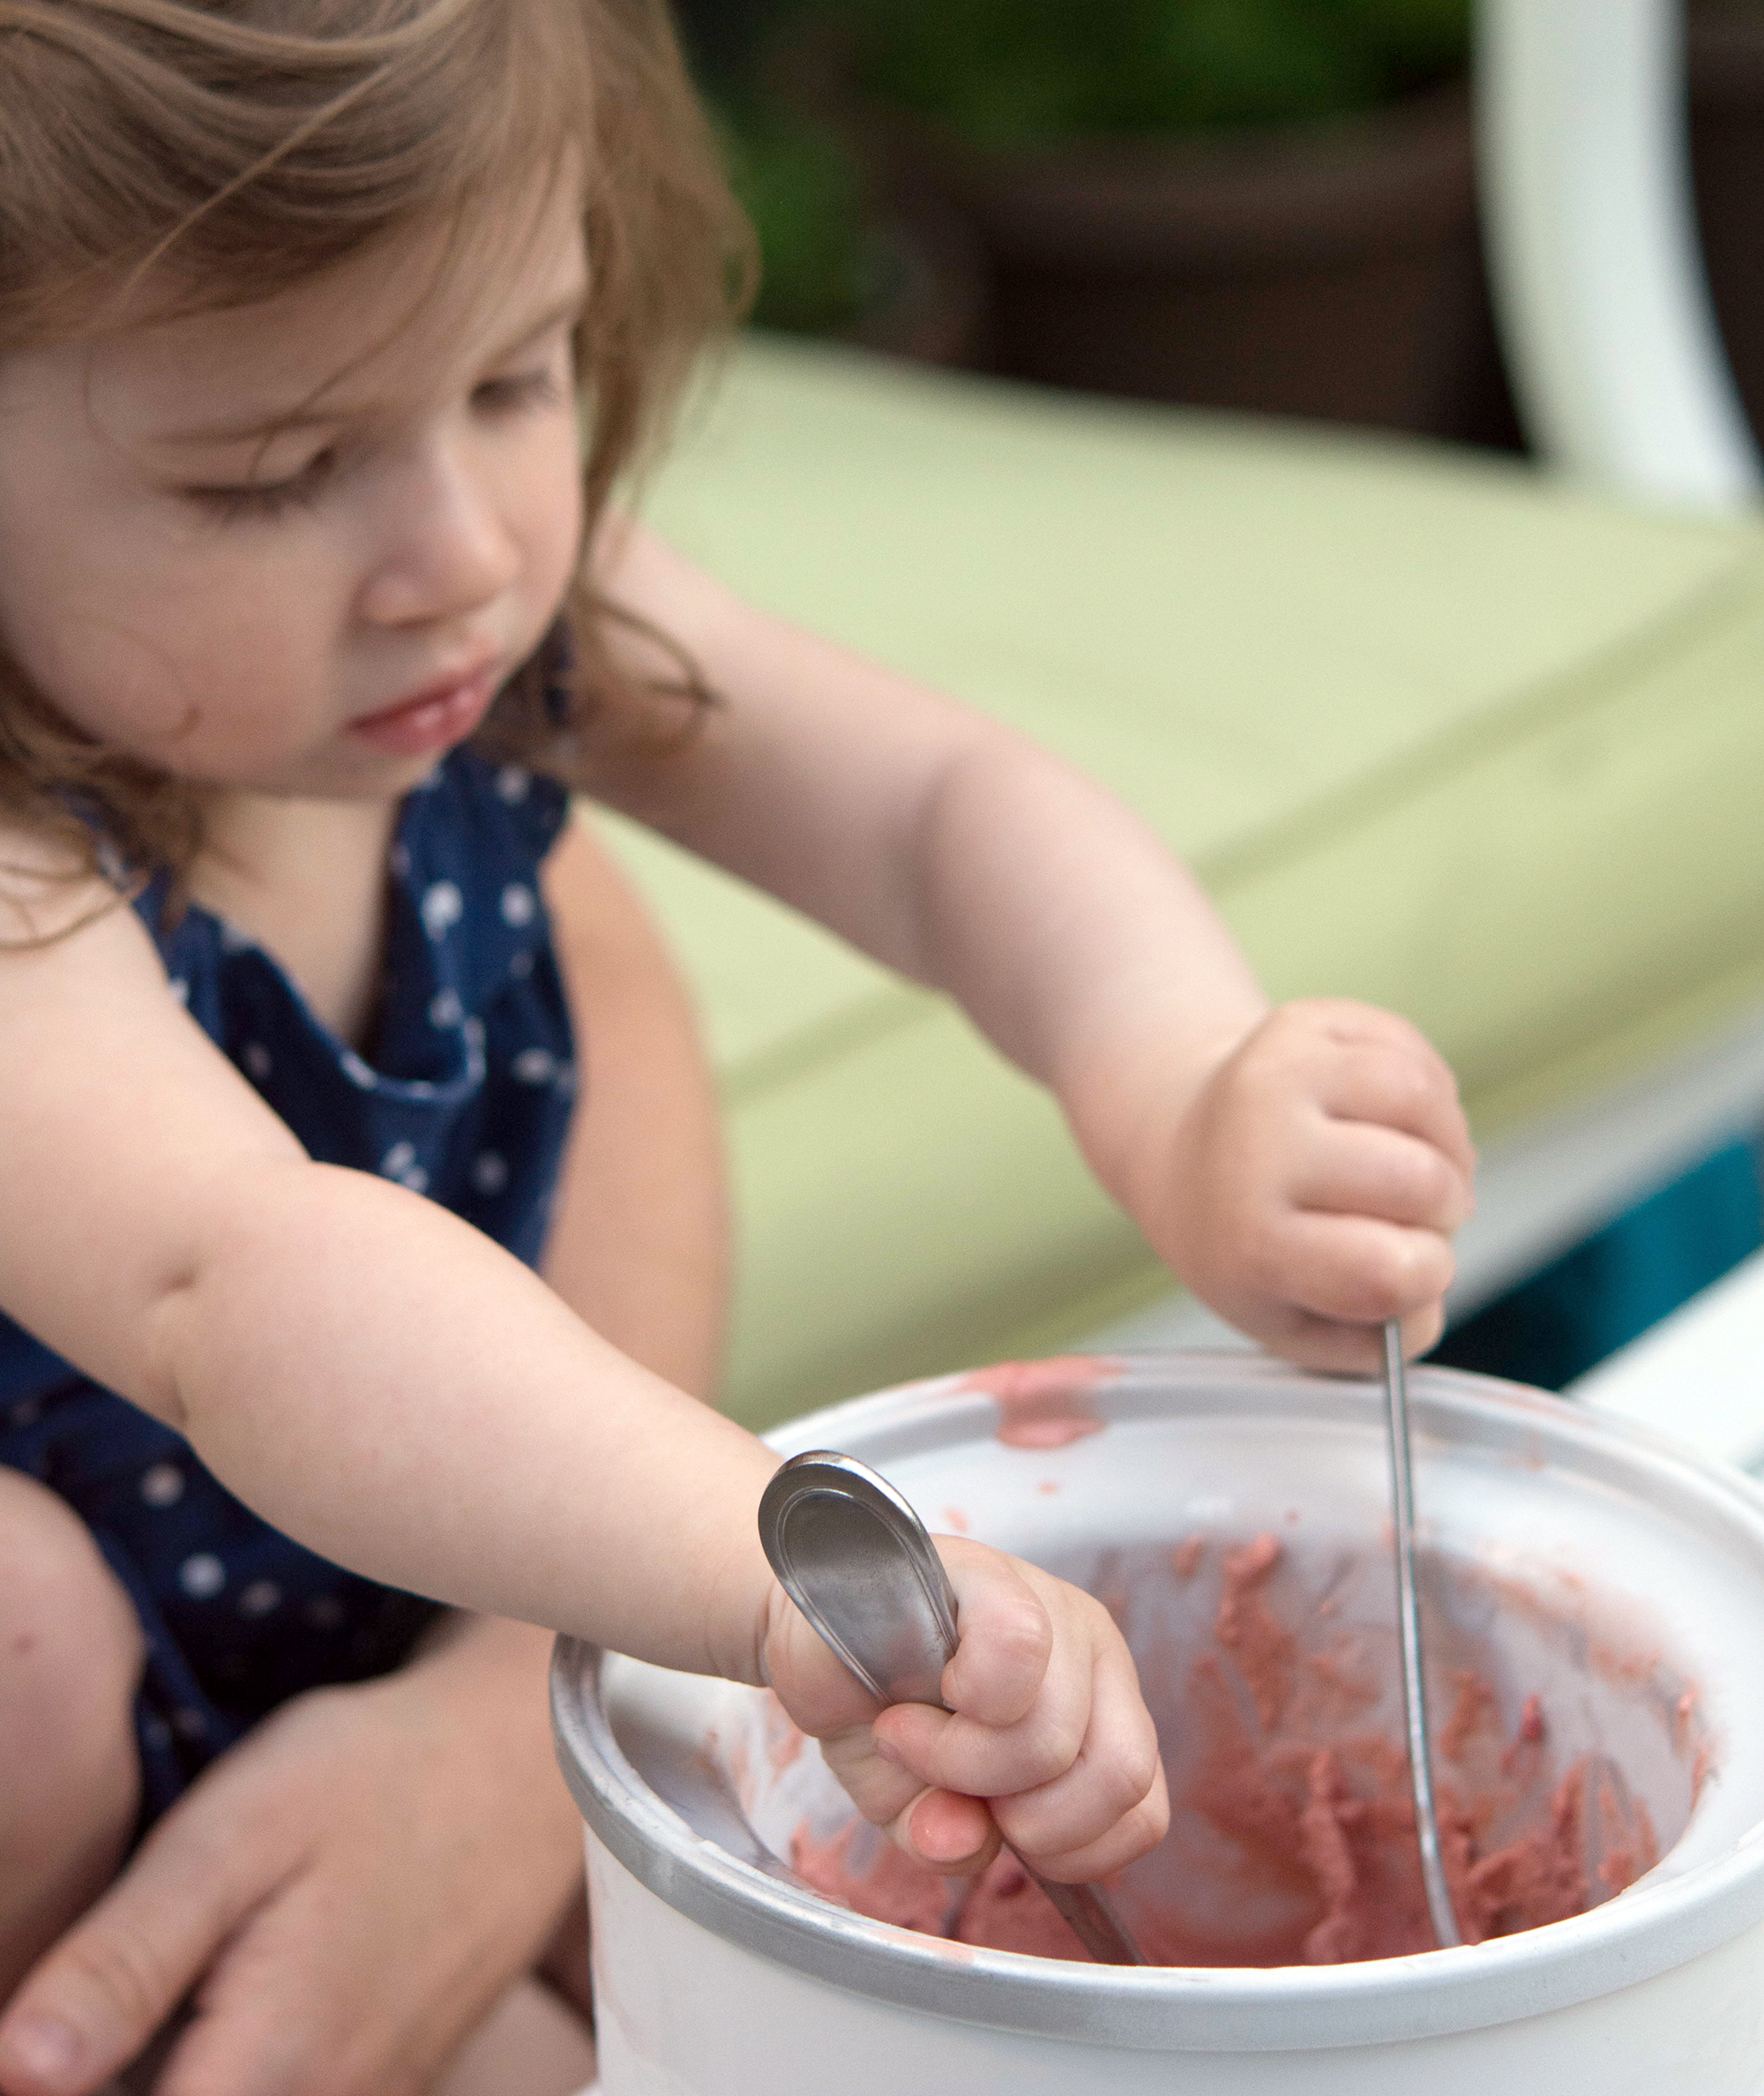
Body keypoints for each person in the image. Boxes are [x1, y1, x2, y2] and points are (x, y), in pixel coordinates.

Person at [0, 4, 1476, 2092]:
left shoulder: (489, 627)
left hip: (375, 1639)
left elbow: (922, 808)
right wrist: (778, 1568)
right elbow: (239, 1285)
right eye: (275, 476)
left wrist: (1179, 1081)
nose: (467, 553)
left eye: (517, 376)